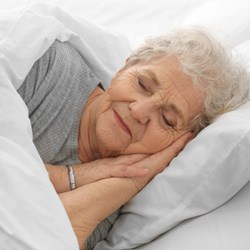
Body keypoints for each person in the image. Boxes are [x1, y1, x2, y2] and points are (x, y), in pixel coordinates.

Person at [17, 27, 250, 250]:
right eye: (142, 84)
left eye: (167, 119)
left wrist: (133, 181)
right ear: (123, 69)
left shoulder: (116, 203)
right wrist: (77, 176)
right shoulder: (45, 67)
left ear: (180, 146)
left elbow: (40, 238)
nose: (139, 111)